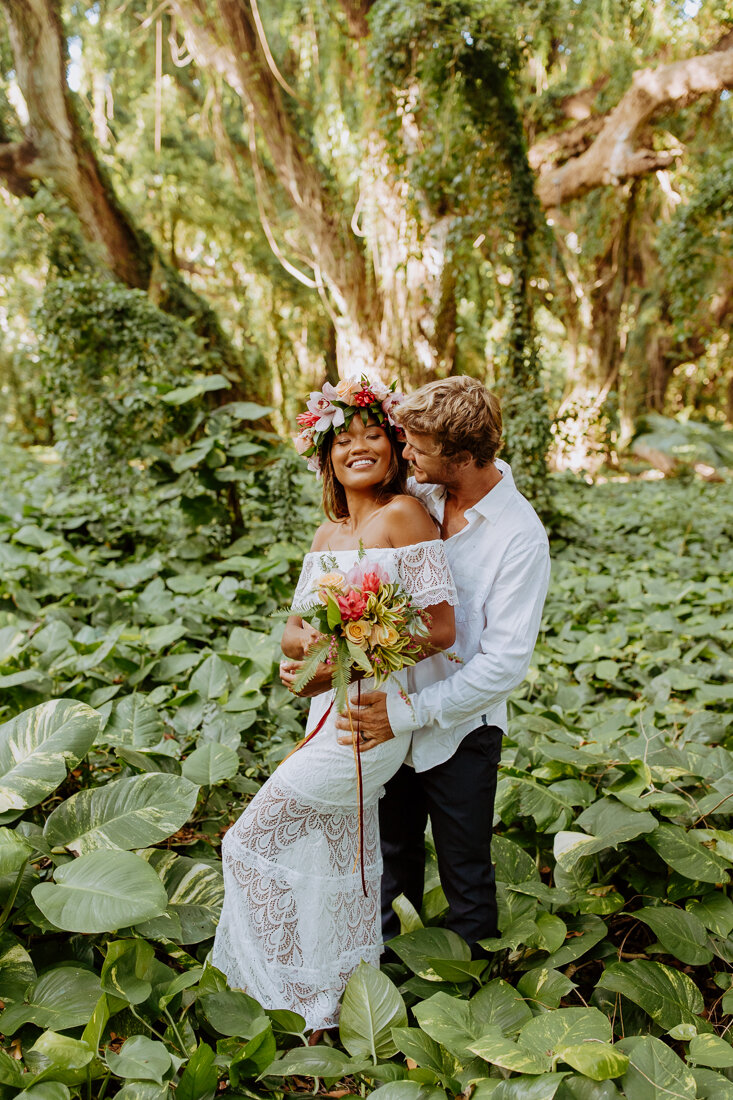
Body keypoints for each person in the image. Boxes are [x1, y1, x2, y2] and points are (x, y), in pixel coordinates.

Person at [211, 377, 458, 1032]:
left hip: (371, 717)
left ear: (394, 445)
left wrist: (358, 649)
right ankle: (327, 996)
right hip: (324, 709)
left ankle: (282, 988)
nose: (359, 447)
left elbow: (438, 630)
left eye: (372, 434)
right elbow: (292, 633)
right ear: (324, 455)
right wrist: (329, 638)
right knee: (326, 856)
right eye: (342, 439)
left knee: (247, 843)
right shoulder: (327, 533)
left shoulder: (403, 516)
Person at [334, 376, 551, 955]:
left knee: (467, 877)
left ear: (459, 455)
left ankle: (471, 994)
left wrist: (406, 713)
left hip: (459, 731)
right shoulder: (418, 500)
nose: (404, 454)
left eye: (417, 448)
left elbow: (503, 664)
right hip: (386, 716)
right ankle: (389, 983)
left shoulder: (518, 537)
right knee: (392, 864)